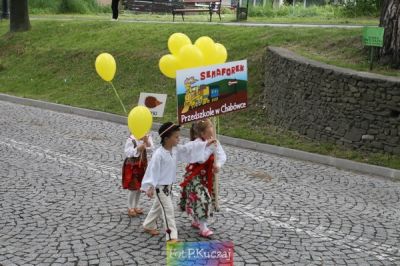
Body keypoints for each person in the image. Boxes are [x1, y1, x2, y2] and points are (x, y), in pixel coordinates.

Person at [141, 122, 215, 243]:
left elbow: (190, 148)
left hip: (169, 186)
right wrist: (150, 187)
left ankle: (148, 225)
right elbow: (152, 171)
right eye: (176, 137)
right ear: (166, 139)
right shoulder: (158, 154)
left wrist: (206, 144)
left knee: (158, 207)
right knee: (168, 210)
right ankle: (171, 237)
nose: (178, 139)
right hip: (160, 187)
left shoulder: (176, 150)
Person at [179, 119, 226, 238]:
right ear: (202, 134)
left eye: (212, 126)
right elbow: (201, 159)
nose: (212, 128)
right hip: (195, 176)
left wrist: (218, 165)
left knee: (205, 197)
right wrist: (209, 147)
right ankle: (203, 227)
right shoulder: (197, 143)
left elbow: (222, 155)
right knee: (202, 198)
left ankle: (197, 220)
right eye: (209, 127)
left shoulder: (215, 142)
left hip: (207, 176)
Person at [123, 134, 153, 217]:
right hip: (132, 165)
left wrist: (147, 142)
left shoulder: (147, 137)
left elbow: (151, 150)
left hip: (142, 165)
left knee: (140, 187)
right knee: (133, 187)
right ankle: (130, 207)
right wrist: (138, 149)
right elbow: (128, 152)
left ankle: (136, 205)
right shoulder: (131, 139)